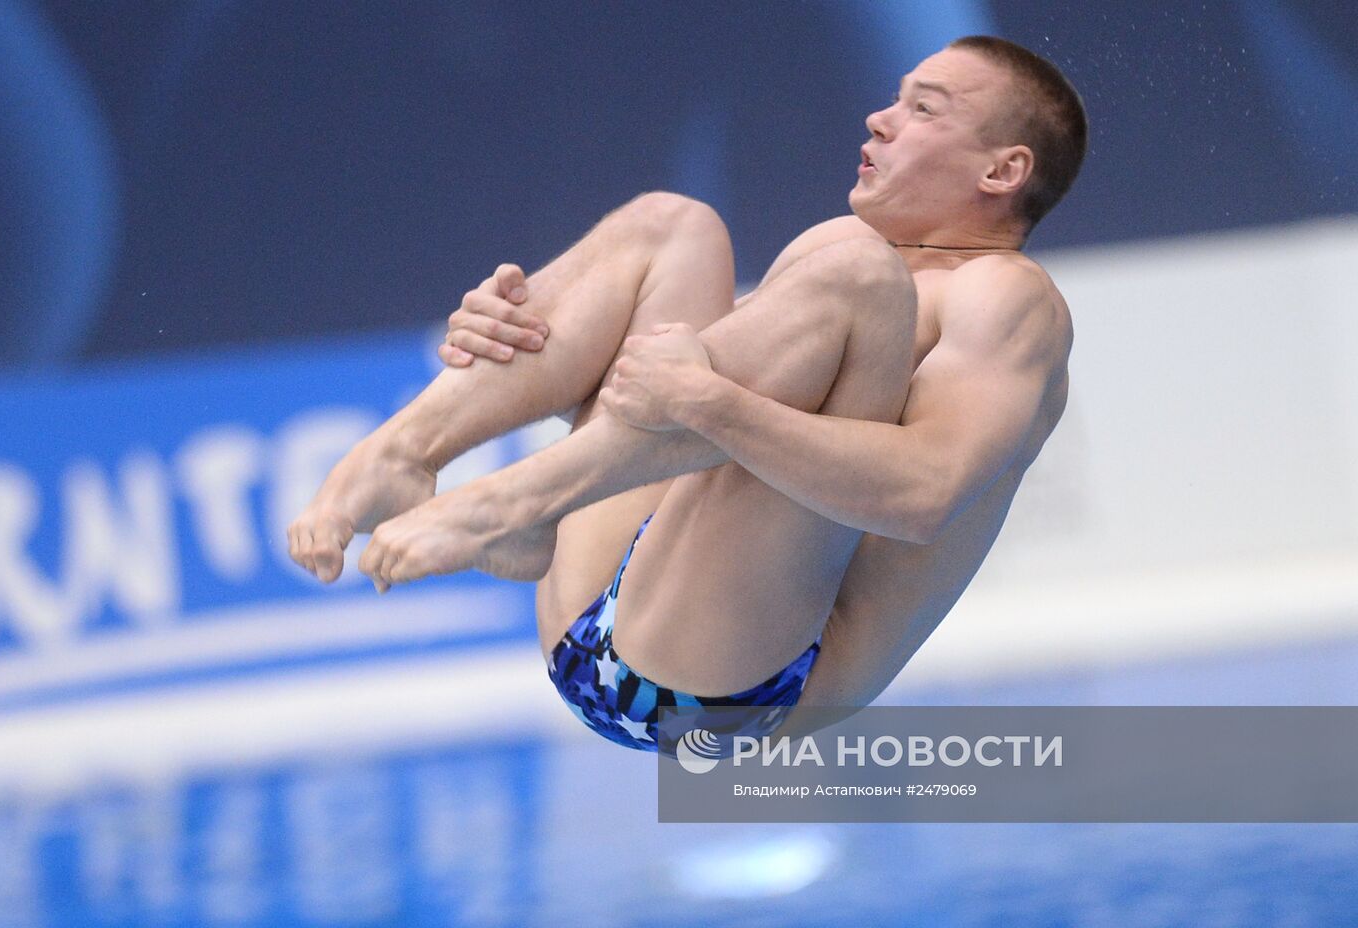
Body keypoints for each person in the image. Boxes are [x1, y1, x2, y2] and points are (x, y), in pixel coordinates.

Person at [288, 35, 1087, 752]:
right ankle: (406, 455)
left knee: (853, 276)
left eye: (921, 109)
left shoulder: (1010, 301)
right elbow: (662, 423)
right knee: (672, 225)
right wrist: (523, 325)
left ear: (1002, 170)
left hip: (730, 689)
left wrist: (707, 401)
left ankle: (506, 506)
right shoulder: (847, 254)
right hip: (614, 599)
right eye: (895, 98)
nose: (880, 119)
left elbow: (924, 495)